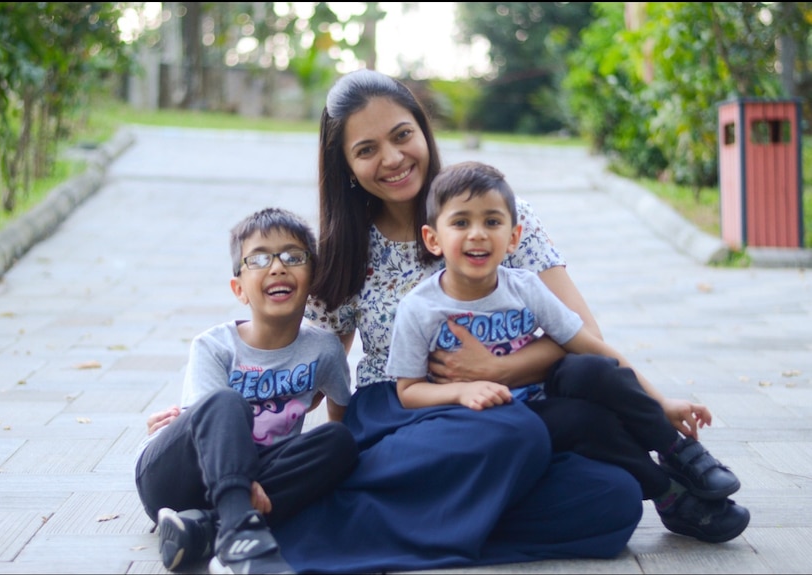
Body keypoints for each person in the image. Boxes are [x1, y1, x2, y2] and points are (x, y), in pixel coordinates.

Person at [264, 69, 646, 573]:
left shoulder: (502, 217)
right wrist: (209, 414)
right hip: (399, 414)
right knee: (516, 434)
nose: (393, 158)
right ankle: (321, 522)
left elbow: (584, 336)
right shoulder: (343, 250)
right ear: (347, 168)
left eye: (402, 136)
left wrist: (497, 370)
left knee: (614, 501)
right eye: (367, 149)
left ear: (423, 131)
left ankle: (407, 525)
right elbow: (311, 364)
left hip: (502, 406)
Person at [387, 160, 750, 544]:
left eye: (492, 222)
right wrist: (460, 390)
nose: (477, 235)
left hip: (538, 402)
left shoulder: (524, 287)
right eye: (461, 223)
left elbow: (593, 346)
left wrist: (661, 403)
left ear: (513, 237)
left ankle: (678, 450)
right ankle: (670, 496)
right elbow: (408, 391)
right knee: (585, 420)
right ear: (433, 239)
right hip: (483, 424)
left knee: (589, 369)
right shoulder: (420, 308)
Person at [134, 207, 357, 574]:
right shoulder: (213, 346)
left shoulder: (324, 350)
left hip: (256, 477)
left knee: (338, 442)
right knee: (226, 402)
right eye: (259, 259)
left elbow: (342, 417)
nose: (277, 267)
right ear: (239, 289)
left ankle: (203, 529)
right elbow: (203, 423)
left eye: (293, 256)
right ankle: (239, 535)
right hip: (175, 480)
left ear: (312, 278)